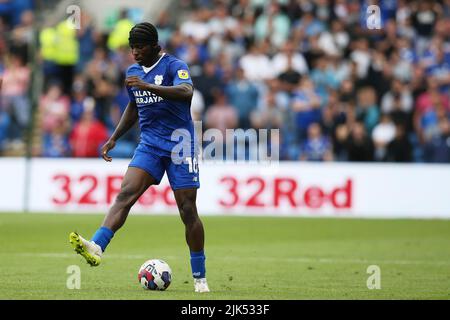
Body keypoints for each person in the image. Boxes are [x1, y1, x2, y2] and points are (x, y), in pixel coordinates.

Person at [69, 22, 209, 293]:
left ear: (155, 46)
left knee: (187, 210)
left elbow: (185, 92)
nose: (134, 52)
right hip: (150, 145)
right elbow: (134, 106)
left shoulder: (173, 65)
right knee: (125, 193)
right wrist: (114, 137)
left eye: (140, 47)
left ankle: (200, 277)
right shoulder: (132, 72)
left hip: (181, 146)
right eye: (132, 47)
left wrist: (148, 86)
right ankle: (97, 246)